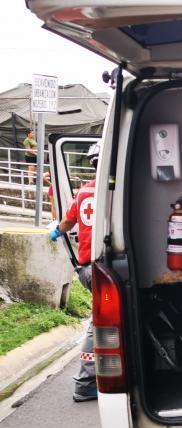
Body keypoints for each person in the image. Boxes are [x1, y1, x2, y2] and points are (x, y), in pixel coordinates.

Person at [49, 142, 100, 402]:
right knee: (100, 322)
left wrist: (57, 230)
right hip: (102, 267)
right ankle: (85, 381)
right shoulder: (110, 192)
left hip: (87, 267)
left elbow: (68, 222)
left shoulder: (82, 193)